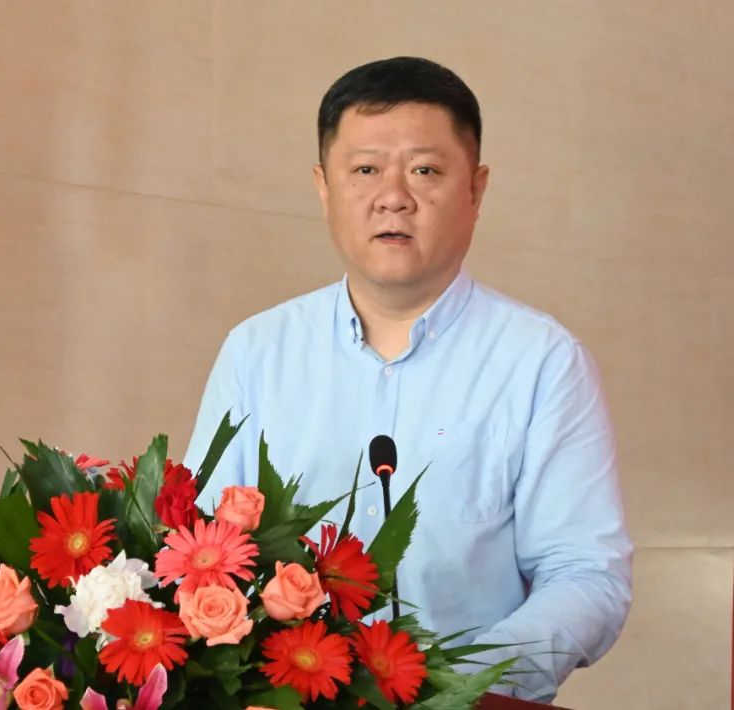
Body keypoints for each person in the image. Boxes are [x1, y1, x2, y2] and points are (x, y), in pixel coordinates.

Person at [183, 57, 632, 702]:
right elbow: (207, 547)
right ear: (323, 187)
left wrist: (450, 688)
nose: (393, 196)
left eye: (425, 170)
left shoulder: (541, 362)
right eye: (365, 170)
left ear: (475, 190)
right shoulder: (257, 352)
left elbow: (584, 573)